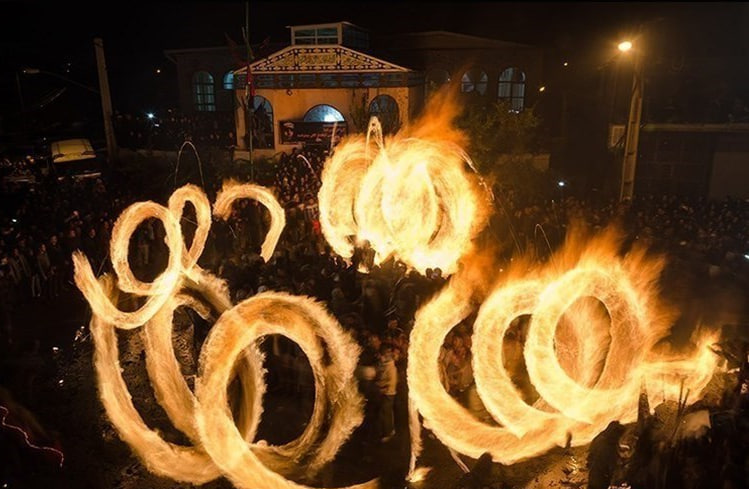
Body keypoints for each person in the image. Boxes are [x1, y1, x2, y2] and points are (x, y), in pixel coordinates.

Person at [376, 343, 398, 442]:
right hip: (385, 392)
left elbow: (392, 381)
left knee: (386, 413)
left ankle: (389, 432)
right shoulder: (385, 365)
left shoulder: (391, 367)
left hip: (389, 393)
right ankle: (385, 430)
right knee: (384, 412)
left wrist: (385, 388)